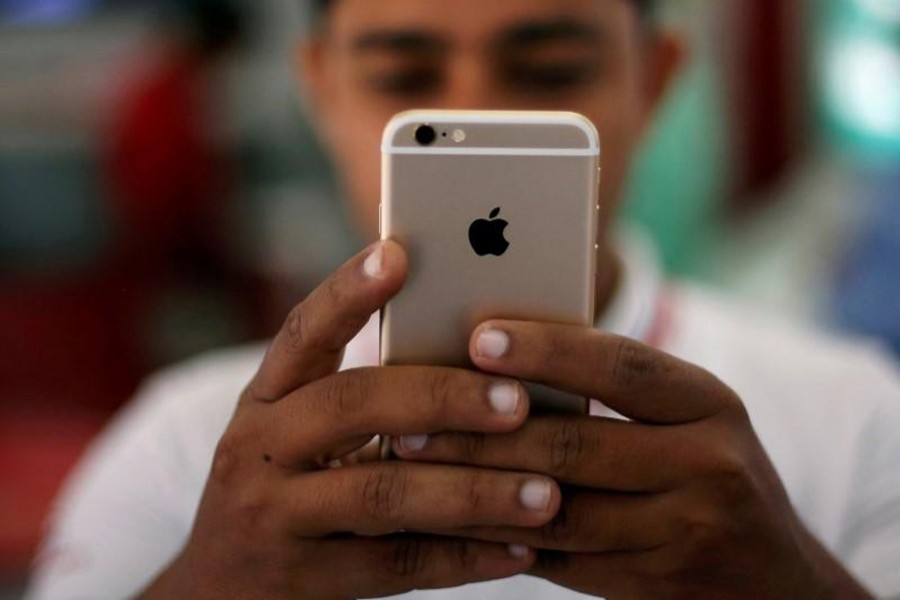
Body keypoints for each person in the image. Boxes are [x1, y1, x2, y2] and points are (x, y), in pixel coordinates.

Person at [26, 1, 900, 599]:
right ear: (320, 88)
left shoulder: (855, 416)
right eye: (402, 70)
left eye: (552, 70)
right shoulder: (188, 446)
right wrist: (209, 584)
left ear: (656, 81)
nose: (473, 109)